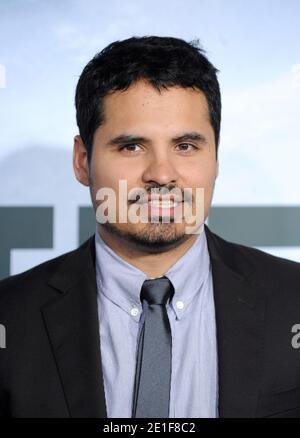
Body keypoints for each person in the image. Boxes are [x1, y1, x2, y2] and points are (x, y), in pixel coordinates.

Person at [0, 36, 300, 419]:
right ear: (82, 160)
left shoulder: (293, 300)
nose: (161, 174)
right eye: (131, 147)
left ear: (216, 157)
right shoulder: (10, 316)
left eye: (186, 146)